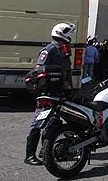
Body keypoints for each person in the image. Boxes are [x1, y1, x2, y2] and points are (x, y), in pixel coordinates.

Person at [25, 22, 75, 166]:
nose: (70, 36)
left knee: (53, 123)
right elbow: (39, 71)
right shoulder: (49, 50)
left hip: (60, 92)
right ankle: (29, 155)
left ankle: (45, 150)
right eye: (68, 33)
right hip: (48, 93)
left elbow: (66, 71)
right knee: (39, 122)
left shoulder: (63, 49)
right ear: (61, 33)